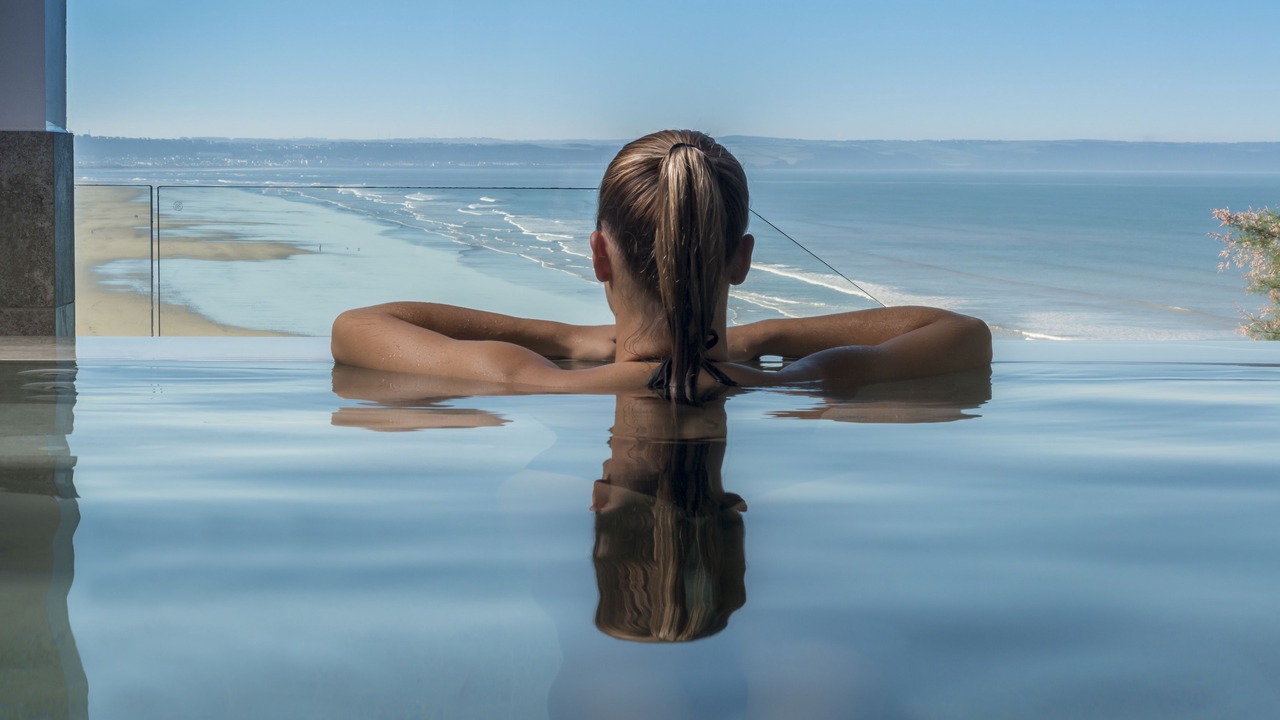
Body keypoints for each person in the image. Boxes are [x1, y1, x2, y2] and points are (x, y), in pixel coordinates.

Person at [331, 129, 992, 401]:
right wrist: (767, 339)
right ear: (742, 259)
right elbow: (963, 333)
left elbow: (357, 326)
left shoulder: (531, 380)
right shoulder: (800, 382)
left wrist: (563, 340)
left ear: (599, 256)